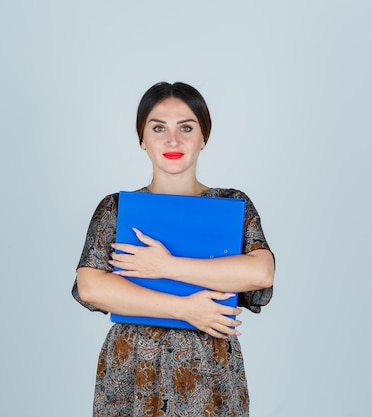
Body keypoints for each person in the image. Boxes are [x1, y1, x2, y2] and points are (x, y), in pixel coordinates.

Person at [72, 81, 275, 416]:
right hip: (133, 367)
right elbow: (91, 286)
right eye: (158, 128)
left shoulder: (232, 205)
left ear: (203, 137)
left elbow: (260, 271)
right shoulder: (116, 209)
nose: (173, 140)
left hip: (209, 368)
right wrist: (184, 309)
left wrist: (164, 266)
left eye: (186, 127)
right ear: (142, 138)